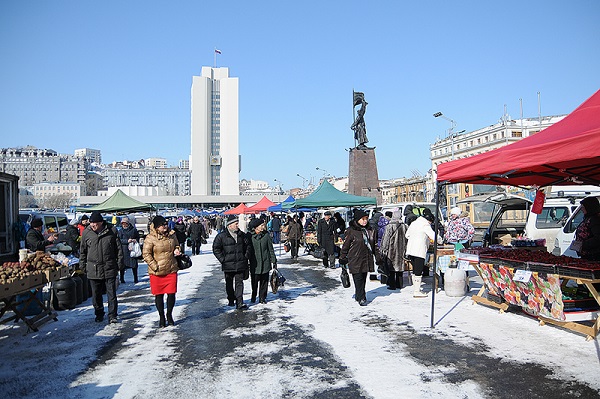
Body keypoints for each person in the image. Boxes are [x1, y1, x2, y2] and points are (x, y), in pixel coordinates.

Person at [79, 211, 124, 323]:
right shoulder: (86, 233)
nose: (93, 225)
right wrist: (82, 265)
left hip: (109, 266)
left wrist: (119, 263)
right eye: (91, 223)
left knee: (111, 293)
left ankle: (112, 315)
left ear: (100, 223)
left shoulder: (111, 231)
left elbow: (118, 249)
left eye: (95, 223)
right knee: (96, 294)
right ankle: (99, 313)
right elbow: (83, 251)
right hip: (93, 267)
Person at [143, 215, 180, 327]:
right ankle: (161, 317)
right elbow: (146, 254)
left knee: (171, 293)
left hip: (171, 269)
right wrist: (155, 266)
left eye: (165, 224)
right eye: (162, 225)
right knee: (159, 295)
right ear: (156, 227)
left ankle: (169, 315)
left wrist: (177, 250)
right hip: (157, 271)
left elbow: (177, 245)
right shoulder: (150, 238)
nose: (165, 226)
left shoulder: (172, 235)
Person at [339, 209, 379, 306]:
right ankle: (361, 297)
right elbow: (346, 246)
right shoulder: (351, 231)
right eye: (363, 219)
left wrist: (378, 257)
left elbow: (374, 245)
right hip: (355, 259)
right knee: (358, 279)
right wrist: (342, 257)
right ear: (357, 220)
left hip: (366, 258)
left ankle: (359, 295)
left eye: (366, 218)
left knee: (363, 278)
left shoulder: (370, 230)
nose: (365, 221)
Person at [212, 215, 251, 310]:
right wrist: (223, 259)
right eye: (236, 223)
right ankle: (231, 299)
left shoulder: (242, 235)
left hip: (240, 263)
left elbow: (248, 246)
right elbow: (216, 248)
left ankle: (239, 302)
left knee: (239, 283)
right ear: (229, 225)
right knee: (229, 283)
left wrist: (245, 256)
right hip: (228, 264)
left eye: (237, 223)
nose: (237, 225)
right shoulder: (221, 236)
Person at [405, 210, 441, 298]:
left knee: (415, 270)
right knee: (418, 271)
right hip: (419, 250)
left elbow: (407, 235)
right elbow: (434, 236)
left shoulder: (414, 223)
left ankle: (416, 289)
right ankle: (416, 291)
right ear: (429, 220)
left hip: (410, 250)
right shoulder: (425, 225)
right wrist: (440, 240)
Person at [248, 218, 277, 304]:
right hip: (255, 263)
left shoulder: (266, 235)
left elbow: (270, 249)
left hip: (265, 262)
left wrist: (274, 260)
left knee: (264, 282)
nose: (263, 226)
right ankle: (253, 296)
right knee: (254, 282)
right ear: (256, 227)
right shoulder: (250, 236)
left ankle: (262, 298)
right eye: (261, 225)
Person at [379, 210, 408, 290]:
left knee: (391, 267)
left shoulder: (390, 226)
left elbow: (386, 239)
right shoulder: (405, 226)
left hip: (392, 250)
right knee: (400, 268)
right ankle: (399, 284)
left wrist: (383, 249)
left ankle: (392, 285)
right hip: (402, 249)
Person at [573, 196, 600, 261]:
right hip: (586, 255)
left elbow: (598, 238)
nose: (582, 209)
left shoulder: (595, 220)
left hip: (593, 256)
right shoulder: (588, 218)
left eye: (583, 207)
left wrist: (583, 244)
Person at [118, 217, 140, 284]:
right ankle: (122, 278)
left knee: (134, 265)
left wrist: (135, 240)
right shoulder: (120, 231)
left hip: (132, 249)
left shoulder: (133, 230)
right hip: (124, 250)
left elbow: (137, 237)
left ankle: (135, 278)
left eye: (125, 223)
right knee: (123, 266)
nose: (124, 225)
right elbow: (119, 240)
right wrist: (126, 241)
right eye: (122, 224)